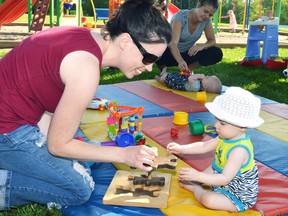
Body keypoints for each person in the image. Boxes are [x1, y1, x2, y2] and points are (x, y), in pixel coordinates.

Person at [0, 0, 172, 211]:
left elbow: (44, 100)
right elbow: (57, 145)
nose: (148, 68)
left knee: (81, 160)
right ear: (126, 41)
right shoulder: (87, 69)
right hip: (7, 131)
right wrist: (125, 154)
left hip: (14, 118)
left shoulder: (83, 36)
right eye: (148, 57)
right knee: (79, 187)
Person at [167, 87, 264, 212]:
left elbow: (225, 178)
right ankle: (201, 183)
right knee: (205, 172)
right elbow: (204, 146)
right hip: (219, 174)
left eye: (222, 123)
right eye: (217, 120)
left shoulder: (239, 150)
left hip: (236, 193)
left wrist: (199, 176)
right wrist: (181, 149)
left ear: (242, 126)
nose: (216, 125)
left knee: (208, 200)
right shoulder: (225, 136)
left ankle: (197, 189)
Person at [155, 0, 223, 74]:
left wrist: (202, 46)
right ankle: (163, 72)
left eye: (210, 15)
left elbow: (212, 41)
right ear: (198, 5)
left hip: (188, 54)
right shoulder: (181, 16)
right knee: (157, 47)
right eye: (205, 11)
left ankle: (188, 70)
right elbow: (173, 43)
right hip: (169, 54)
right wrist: (180, 61)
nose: (207, 16)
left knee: (217, 53)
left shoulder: (206, 21)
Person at [155, 69, 222, 93]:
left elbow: (190, 78)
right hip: (181, 80)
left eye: (207, 78)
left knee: (165, 79)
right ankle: (163, 74)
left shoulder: (197, 86)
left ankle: (159, 78)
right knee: (169, 75)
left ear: (205, 86)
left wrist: (199, 75)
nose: (206, 76)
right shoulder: (200, 87)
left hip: (176, 82)